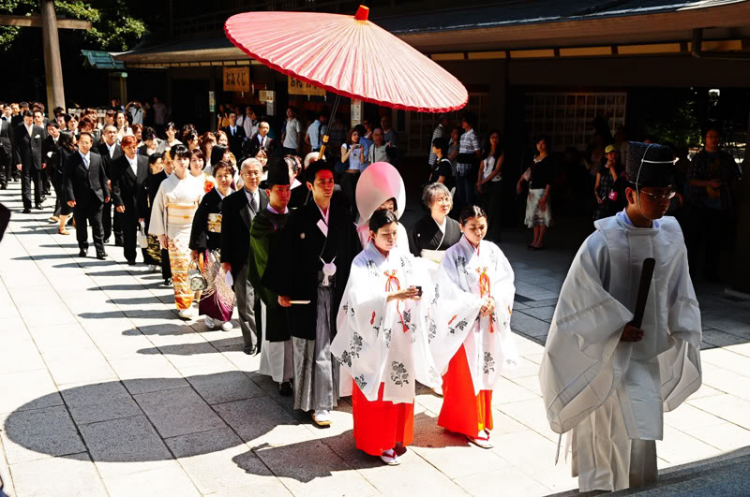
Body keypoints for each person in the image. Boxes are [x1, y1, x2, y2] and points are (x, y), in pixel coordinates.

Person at [539, 142, 702, 493]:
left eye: (668, 193)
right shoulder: (601, 242)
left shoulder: (671, 235)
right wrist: (614, 328)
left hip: (646, 356)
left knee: (638, 435)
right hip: (607, 358)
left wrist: (679, 323)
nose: (664, 200)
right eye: (655, 193)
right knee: (605, 432)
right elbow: (577, 302)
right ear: (630, 192)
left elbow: (680, 288)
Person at [331, 209, 440, 466]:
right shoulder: (361, 261)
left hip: (401, 331)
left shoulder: (403, 258)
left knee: (400, 384)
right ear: (372, 235)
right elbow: (358, 300)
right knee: (379, 390)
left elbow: (421, 284)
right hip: (376, 337)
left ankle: (397, 437)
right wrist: (391, 296)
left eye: (394, 233)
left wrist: (417, 294)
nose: (391, 239)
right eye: (385, 234)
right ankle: (378, 442)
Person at [267, 160, 360, 426]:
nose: (328, 186)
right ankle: (316, 402)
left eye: (331, 181)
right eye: (322, 182)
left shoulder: (342, 216)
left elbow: (353, 253)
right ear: (309, 185)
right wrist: (283, 290)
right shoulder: (299, 217)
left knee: (331, 344)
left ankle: (328, 398)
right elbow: (284, 256)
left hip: (335, 291)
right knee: (314, 345)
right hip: (308, 293)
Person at [430, 205, 517, 449]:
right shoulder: (452, 255)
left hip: (487, 322)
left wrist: (494, 300)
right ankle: (471, 426)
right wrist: (477, 303)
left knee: (486, 373)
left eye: (482, 227)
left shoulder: (492, 251)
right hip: (464, 326)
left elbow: (505, 281)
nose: (479, 232)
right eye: (472, 228)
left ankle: (478, 419)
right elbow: (447, 290)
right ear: (461, 226)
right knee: (464, 377)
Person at [249, 158, 294, 395]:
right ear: (268, 192)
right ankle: (282, 377)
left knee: (295, 330)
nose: (285, 195)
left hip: (296, 284)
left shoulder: (296, 217)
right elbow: (265, 258)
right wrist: (280, 286)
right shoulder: (261, 222)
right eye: (279, 190)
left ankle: (295, 372)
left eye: (288, 190)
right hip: (273, 285)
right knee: (277, 330)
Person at [148, 145, 205, 319]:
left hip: (192, 228)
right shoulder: (166, 184)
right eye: (179, 159)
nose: (183, 162)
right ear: (172, 161)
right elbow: (157, 209)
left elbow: (202, 208)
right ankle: (184, 304)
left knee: (195, 265)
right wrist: (161, 235)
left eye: (185, 158)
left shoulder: (196, 182)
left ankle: (197, 297)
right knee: (180, 267)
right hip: (174, 230)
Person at [221, 158, 268, 354]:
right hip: (242, 259)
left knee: (264, 303)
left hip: (266, 260)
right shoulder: (231, 202)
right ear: (241, 175)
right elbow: (226, 233)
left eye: (256, 172)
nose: (253, 177)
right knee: (246, 303)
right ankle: (251, 342)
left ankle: (265, 341)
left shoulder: (268, 197)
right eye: (248, 173)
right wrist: (226, 260)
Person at [685, 127, 742, 282]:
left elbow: (735, 178)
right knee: (695, 240)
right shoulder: (699, 158)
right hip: (700, 203)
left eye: (716, 136)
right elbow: (691, 180)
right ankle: (691, 273)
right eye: (710, 136)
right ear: (705, 139)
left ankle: (710, 273)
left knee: (715, 241)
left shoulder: (726, 158)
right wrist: (707, 183)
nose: (714, 139)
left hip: (720, 204)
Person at [190, 160, 235, 331]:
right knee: (211, 283)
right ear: (214, 177)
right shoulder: (209, 198)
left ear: (232, 176)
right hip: (213, 246)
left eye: (227, 175)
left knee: (227, 284)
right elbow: (199, 223)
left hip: (231, 247)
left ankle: (225, 317)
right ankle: (210, 315)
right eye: (220, 176)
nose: (224, 179)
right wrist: (196, 247)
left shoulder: (236, 196)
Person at [63, 132, 110, 260]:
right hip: (79, 197)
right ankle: (83, 247)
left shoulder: (97, 157)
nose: (85, 145)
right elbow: (67, 180)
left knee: (97, 224)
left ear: (91, 143)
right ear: (77, 143)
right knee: (81, 224)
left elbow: (102, 177)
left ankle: (100, 250)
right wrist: (70, 197)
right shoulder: (71, 159)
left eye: (87, 142)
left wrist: (106, 193)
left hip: (96, 196)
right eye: (82, 142)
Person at [110, 135, 150, 266]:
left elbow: (150, 181)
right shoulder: (117, 163)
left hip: (143, 202)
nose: (132, 150)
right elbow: (115, 185)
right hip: (127, 202)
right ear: (123, 148)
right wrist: (118, 202)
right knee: (129, 230)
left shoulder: (145, 160)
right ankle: (130, 255)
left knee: (146, 230)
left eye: (134, 147)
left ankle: (148, 256)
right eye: (129, 148)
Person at [354, 161, 409, 255]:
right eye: (381, 208)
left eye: (390, 208)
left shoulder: (400, 230)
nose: (386, 212)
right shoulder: (361, 232)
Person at [408, 183, 462, 262]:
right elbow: (412, 254)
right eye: (440, 200)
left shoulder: (456, 226)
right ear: (429, 203)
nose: (445, 203)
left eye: (447, 199)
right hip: (425, 271)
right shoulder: (418, 228)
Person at [517, 136, 553, 250]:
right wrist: (520, 182)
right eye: (538, 143)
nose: (540, 146)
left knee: (542, 217)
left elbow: (550, 179)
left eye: (543, 143)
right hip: (532, 191)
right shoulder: (535, 158)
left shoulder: (549, 159)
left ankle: (540, 241)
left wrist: (546, 195)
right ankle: (535, 240)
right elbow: (528, 172)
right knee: (534, 218)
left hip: (542, 191)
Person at [138, 153, 167, 275]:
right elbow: (141, 199)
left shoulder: (166, 180)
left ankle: (162, 262)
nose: (161, 165)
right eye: (158, 163)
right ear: (151, 165)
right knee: (150, 238)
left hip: (163, 212)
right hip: (150, 213)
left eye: (162, 162)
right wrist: (141, 215)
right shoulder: (147, 181)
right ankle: (151, 261)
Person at [13, 110, 45, 213]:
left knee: (38, 182)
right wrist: (18, 161)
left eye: (31, 120)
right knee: (25, 183)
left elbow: (43, 146)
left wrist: (44, 160)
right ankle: (27, 205)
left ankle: (38, 202)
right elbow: (16, 147)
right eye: (27, 119)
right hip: (24, 160)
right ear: (24, 119)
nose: (29, 121)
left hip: (37, 160)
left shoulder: (39, 129)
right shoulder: (18, 129)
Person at [477, 130, 504, 242]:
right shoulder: (485, 151)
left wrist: (482, 182)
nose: (494, 139)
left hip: (495, 183)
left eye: (496, 137)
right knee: (485, 209)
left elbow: (496, 170)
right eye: (492, 137)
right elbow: (481, 168)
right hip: (485, 182)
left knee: (494, 209)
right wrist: (479, 181)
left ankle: (495, 235)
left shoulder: (500, 152)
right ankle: (486, 233)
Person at [455, 113, 481, 214]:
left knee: (468, 195)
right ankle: (463, 215)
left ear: (470, 123)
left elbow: (478, 153)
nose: (462, 123)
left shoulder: (473, 135)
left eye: (464, 121)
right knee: (461, 194)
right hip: (460, 168)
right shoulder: (462, 136)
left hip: (468, 169)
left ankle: (469, 214)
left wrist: (468, 157)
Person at [50, 132, 76, 234]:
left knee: (76, 203)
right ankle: (61, 227)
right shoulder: (61, 150)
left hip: (74, 180)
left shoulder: (74, 149)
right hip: (64, 180)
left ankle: (75, 222)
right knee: (66, 204)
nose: (75, 138)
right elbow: (58, 166)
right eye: (73, 137)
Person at [341, 126, 366, 215]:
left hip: (357, 175)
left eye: (358, 135)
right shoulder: (345, 146)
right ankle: (347, 219)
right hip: (348, 176)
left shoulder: (359, 147)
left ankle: (353, 221)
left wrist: (362, 151)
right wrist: (351, 149)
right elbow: (343, 159)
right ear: (350, 135)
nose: (356, 136)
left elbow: (362, 161)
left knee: (356, 200)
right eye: (354, 134)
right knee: (350, 198)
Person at [594, 144, 620, 220]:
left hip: (614, 194)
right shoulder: (602, 168)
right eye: (610, 153)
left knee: (611, 214)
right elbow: (597, 185)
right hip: (603, 195)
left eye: (614, 153)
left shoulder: (618, 167)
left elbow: (617, 182)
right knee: (601, 217)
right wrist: (597, 196)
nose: (613, 155)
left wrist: (611, 167)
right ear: (606, 155)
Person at [42, 121, 61, 221]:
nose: (51, 131)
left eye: (53, 129)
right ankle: (65, 211)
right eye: (49, 130)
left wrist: (53, 154)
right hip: (52, 171)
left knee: (62, 192)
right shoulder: (46, 141)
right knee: (59, 192)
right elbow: (44, 154)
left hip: (64, 170)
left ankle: (57, 214)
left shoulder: (64, 138)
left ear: (58, 128)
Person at [0, 110, 12, 189]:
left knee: (8, 165)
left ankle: (6, 181)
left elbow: (11, 136)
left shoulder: (7, 124)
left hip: (6, 147)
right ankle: (3, 181)